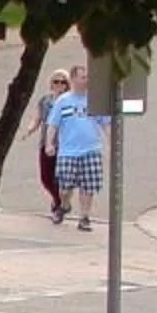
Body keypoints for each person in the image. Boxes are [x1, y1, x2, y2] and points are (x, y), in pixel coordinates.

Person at [51, 64, 102, 232]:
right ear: (73, 79)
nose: (86, 80)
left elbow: (105, 122)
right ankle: (64, 205)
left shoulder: (94, 100)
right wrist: (49, 143)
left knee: (88, 186)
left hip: (91, 149)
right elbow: (53, 124)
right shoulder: (63, 101)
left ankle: (84, 217)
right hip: (68, 151)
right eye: (83, 77)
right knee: (65, 186)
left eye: (87, 77)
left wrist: (112, 141)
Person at [36, 70, 70, 222]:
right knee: (45, 178)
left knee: (60, 178)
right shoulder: (45, 100)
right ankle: (59, 201)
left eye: (63, 82)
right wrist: (30, 129)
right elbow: (38, 118)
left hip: (64, 144)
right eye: (56, 81)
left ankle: (60, 206)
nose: (59, 85)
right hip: (46, 143)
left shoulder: (69, 101)